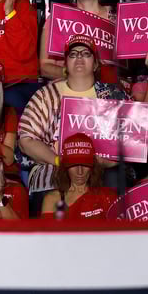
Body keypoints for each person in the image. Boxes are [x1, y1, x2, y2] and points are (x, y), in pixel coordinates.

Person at [19, 34, 127, 215]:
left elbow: (131, 141)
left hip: (101, 167)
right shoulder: (46, 95)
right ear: (65, 63)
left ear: (95, 64)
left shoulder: (112, 95)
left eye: (86, 53)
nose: (79, 57)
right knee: (48, 186)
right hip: (54, 165)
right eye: (73, 54)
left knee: (116, 179)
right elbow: (26, 139)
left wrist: (103, 162)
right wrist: (58, 160)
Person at [37, 0, 115, 81]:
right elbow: (44, 67)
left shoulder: (115, 17)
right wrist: (73, 73)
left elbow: (125, 64)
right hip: (67, 85)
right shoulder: (58, 18)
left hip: (107, 87)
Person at [39, 133, 115, 220]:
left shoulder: (107, 196)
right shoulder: (52, 200)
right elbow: (49, 232)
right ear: (65, 167)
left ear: (93, 166)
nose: (80, 172)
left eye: (85, 165)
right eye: (74, 165)